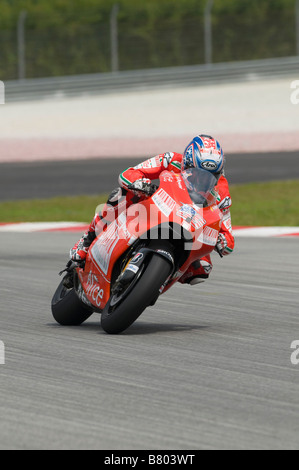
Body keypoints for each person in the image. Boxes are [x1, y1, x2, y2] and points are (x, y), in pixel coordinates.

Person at [70, 134, 235, 286]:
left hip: (190, 226)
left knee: (202, 269)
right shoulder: (170, 160)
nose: (202, 179)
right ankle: (86, 241)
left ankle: (156, 281)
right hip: (158, 207)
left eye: (210, 176)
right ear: (187, 162)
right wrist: (140, 184)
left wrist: (224, 240)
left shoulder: (222, 190)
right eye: (197, 173)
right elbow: (129, 173)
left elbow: (226, 228)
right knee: (120, 195)